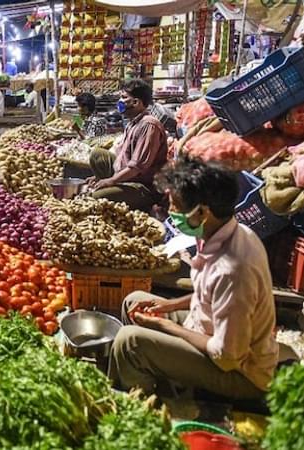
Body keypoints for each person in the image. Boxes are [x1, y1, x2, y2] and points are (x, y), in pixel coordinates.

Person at [109, 157, 278, 400]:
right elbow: (208, 293)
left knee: (130, 342)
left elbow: (227, 356)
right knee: (134, 301)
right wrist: (170, 305)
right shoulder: (221, 232)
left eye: (175, 205)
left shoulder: (233, 269)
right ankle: (165, 379)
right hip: (207, 330)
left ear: (202, 212)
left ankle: (148, 407)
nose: (170, 211)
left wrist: (165, 325)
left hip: (242, 374)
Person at [88, 79, 168, 212]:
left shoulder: (148, 125)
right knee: (97, 154)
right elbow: (122, 157)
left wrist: (111, 181)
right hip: (127, 175)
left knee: (98, 196)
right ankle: (112, 184)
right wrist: (100, 177)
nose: (120, 101)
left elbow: (137, 167)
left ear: (136, 102)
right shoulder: (132, 122)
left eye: (124, 97)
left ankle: (142, 202)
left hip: (143, 185)